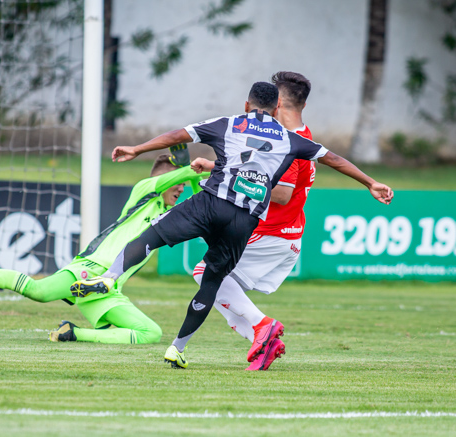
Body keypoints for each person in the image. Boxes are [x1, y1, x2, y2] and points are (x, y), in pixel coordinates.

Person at [72, 81, 394, 369]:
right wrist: (370, 182)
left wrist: (137, 149)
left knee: (150, 236)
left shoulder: (227, 124)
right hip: (242, 222)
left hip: (209, 204)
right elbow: (334, 159)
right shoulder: (291, 140)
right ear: (276, 107)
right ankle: (177, 348)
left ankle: (109, 278)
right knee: (211, 281)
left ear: (246, 104)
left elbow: (178, 136)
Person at [0, 149, 208, 344]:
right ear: (163, 179)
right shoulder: (145, 190)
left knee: (151, 333)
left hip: (108, 288)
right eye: (178, 184)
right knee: (39, 292)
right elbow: (175, 178)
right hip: (90, 268)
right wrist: (191, 167)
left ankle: (73, 333)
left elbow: (201, 197)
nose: (181, 189)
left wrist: (194, 175)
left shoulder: (167, 212)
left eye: (183, 185)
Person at [191, 71, 314, 371]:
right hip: (284, 234)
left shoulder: (289, 140)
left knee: (206, 273)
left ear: (279, 103)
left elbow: (282, 193)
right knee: (216, 284)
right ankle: (264, 341)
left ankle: (263, 326)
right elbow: (258, 170)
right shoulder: (296, 137)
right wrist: (214, 167)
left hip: (275, 232)